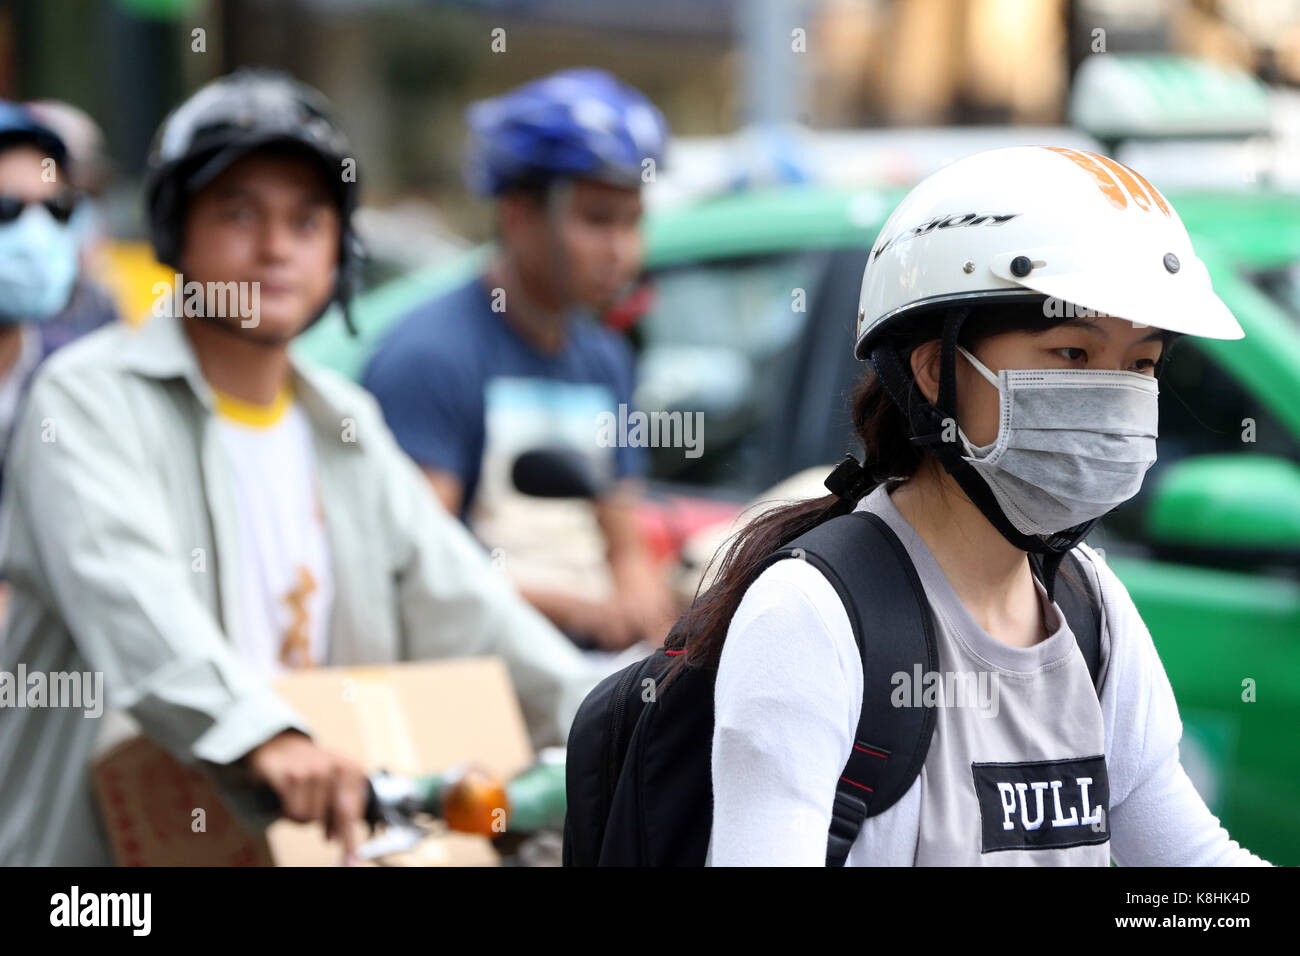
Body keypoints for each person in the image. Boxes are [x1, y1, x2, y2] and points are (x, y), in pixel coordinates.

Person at [0, 70, 597, 866]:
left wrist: (618, 723)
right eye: (239, 213)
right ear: (176, 230)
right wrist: (266, 734)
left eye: (306, 219)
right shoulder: (87, 398)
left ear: (337, 251)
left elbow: (467, 605)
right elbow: (129, 594)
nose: (276, 246)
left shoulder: (345, 423)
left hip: (308, 841)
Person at [680, 146, 1271, 865]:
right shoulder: (810, 616)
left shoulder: (1093, 608)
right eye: (1073, 355)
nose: (1118, 396)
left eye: (1142, 363)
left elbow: (1190, 875)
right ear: (935, 371)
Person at [362, 68, 676, 654]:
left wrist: (645, 606)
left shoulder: (604, 356)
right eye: (596, 219)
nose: (620, 250)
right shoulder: (429, 355)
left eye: (632, 221)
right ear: (517, 216)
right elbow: (419, 562)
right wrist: (579, 610)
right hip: (477, 681)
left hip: (589, 675)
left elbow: (623, 536)